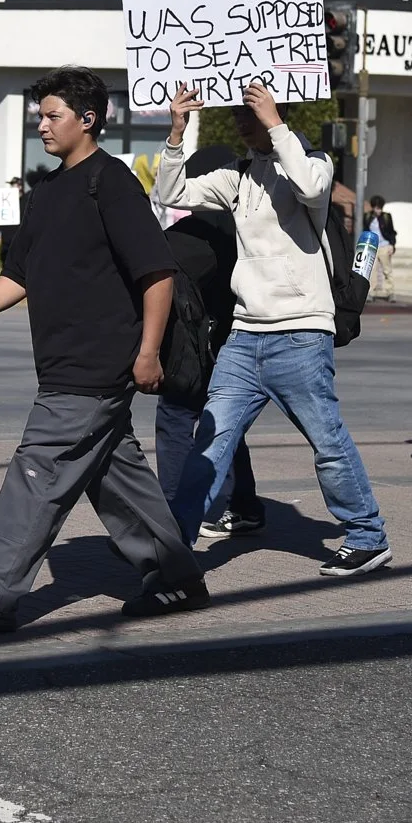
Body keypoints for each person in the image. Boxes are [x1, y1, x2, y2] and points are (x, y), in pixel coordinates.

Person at [0, 66, 205, 632]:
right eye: (40, 115)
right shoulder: (49, 190)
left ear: (88, 119)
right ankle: (176, 578)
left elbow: (157, 273)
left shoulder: (113, 182)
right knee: (113, 472)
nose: (42, 124)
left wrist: (148, 350)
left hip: (96, 360)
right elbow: (22, 273)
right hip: (60, 359)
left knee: (39, 467)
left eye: (53, 115)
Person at [153, 82, 393, 578]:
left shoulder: (315, 161)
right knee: (209, 443)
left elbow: (309, 188)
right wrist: (177, 133)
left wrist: (274, 122)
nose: (242, 121)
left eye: (250, 112)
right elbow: (171, 192)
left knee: (327, 442)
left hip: (301, 333)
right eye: (240, 113)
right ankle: (175, 541)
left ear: (276, 109)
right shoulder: (238, 176)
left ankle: (367, 536)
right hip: (244, 336)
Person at [155, 145, 266, 538]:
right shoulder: (252, 228)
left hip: (196, 350)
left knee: (175, 419)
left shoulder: (190, 235)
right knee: (227, 424)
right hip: (240, 340)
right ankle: (246, 504)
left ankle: (170, 515)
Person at [366, 194, 397, 302]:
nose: (378, 210)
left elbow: (392, 232)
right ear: (373, 207)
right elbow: (364, 230)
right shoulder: (367, 217)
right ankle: (371, 292)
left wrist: (392, 245)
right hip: (372, 246)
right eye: (376, 208)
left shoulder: (386, 217)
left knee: (387, 270)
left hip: (384, 246)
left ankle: (390, 292)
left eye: (380, 208)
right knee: (371, 270)